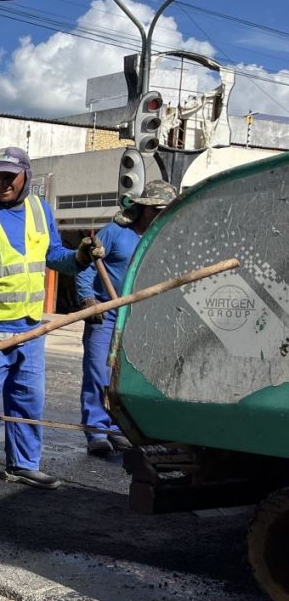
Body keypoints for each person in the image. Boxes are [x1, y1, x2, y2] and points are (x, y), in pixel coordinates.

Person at [0, 146, 104, 495]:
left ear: (26, 178)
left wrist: (79, 256)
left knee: (28, 398)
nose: (2, 183)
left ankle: (23, 465)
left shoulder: (39, 209)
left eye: (10, 176)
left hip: (31, 326)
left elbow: (53, 256)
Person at [77, 179, 176, 456]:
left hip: (140, 318)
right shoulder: (115, 233)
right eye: (156, 209)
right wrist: (88, 299)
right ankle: (96, 429)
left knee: (128, 377)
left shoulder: (164, 239)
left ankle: (118, 428)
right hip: (106, 313)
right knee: (99, 371)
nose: (160, 215)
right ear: (144, 209)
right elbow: (86, 265)